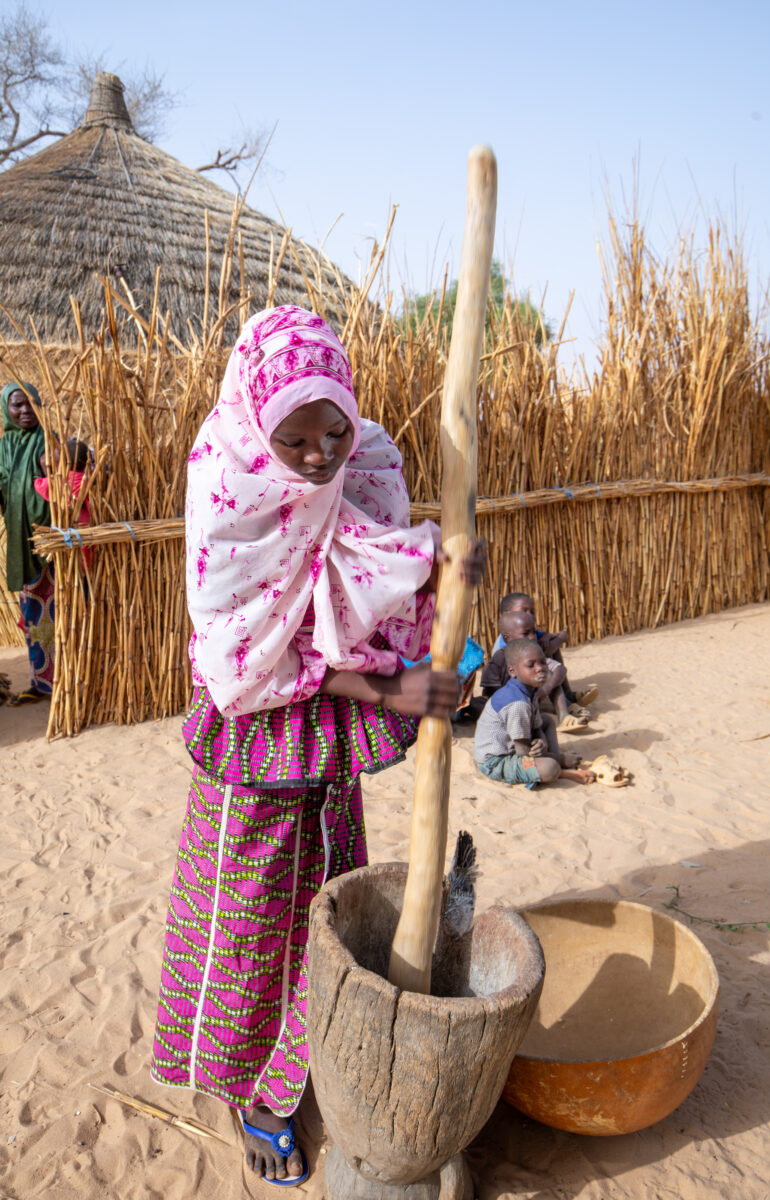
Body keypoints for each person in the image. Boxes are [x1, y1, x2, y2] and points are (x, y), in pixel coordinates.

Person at [151, 305, 482, 1186]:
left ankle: (305, 1069)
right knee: (252, 915)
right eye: (294, 439)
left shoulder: (365, 461)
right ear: (260, 426)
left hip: (324, 744)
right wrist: (393, 690)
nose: (318, 457)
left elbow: (366, 574)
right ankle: (252, 1096)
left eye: (332, 429)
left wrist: (436, 567)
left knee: (331, 903)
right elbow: (243, 660)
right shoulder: (227, 487)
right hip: (255, 742)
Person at [474, 638, 594, 788]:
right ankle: (562, 770)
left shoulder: (529, 690)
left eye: (543, 662)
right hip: (496, 761)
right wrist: (560, 759)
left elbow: (537, 727)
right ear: (513, 671)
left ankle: (555, 760)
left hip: (516, 743)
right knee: (549, 768)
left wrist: (541, 742)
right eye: (531, 665)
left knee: (548, 721)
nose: (540, 668)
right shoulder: (517, 704)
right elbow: (522, 752)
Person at [0, 381, 54, 704]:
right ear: (6, 410)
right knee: (33, 614)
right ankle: (40, 682)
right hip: (21, 544)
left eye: (29, 403)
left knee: (56, 611)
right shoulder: (4, 447)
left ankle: (61, 680)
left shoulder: (49, 440)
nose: (23, 411)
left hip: (49, 544)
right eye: (16, 405)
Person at [480, 609, 588, 731]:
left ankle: (564, 717)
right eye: (526, 634)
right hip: (507, 706)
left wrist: (546, 689)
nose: (532, 637)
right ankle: (567, 705)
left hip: (532, 698)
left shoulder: (533, 653)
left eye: (534, 632)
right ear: (507, 638)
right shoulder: (499, 659)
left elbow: (560, 669)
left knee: (549, 675)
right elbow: (491, 691)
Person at [491, 591, 599, 709]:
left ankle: (568, 695)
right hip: (515, 689)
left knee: (550, 656)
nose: (530, 614)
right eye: (524, 610)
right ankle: (565, 708)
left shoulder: (526, 633)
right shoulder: (507, 642)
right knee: (549, 670)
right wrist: (552, 644)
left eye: (532, 611)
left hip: (529, 680)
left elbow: (564, 635)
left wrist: (550, 637)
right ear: (508, 614)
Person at [34, 438, 93, 569]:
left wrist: (37, 478)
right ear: (86, 463)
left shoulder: (59, 480)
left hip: (64, 524)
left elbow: (40, 486)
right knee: (85, 554)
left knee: (67, 558)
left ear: (62, 462)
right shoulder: (87, 481)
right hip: (84, 525)